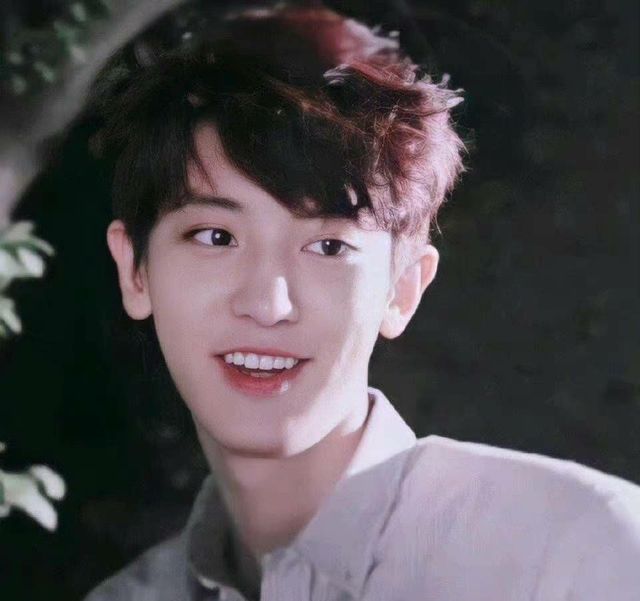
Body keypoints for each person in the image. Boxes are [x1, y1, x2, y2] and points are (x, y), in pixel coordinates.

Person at [85, 4, 640, 601]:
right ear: (135, 270)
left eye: (329, 246)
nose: (268, 304)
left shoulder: (579, 552)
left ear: (404, 287)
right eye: (216, 237)